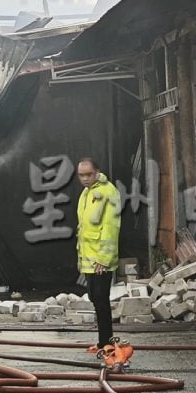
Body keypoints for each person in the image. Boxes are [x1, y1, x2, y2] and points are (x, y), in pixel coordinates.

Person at [75, 157, 129, 369]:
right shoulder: (86, 194)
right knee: (94, 297)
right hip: (89, 257)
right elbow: (83, 228)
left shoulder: (108, 192)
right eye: (81, 175)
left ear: (97, 172)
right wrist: (82, 256)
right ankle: (102, 341)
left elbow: (111, 227)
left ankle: (107, 343)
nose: (85, 178)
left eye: (88, 174)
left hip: (100, 259)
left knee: (101, 298)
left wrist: (104, 259)